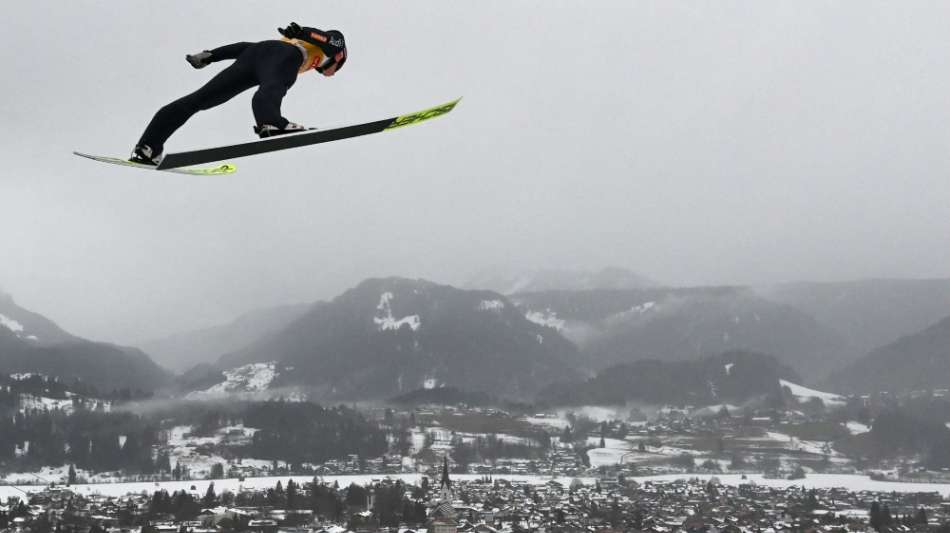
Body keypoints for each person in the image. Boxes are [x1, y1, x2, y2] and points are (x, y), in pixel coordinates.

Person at [130, 22, 347, 165]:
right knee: (274, 85)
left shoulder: (296, 46)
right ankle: (271, 123)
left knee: (198, 99)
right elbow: (329, 40)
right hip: (283, 55)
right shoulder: (331, 49)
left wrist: (211, 55)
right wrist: (302, 32)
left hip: (254, 55)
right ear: (339, 60)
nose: (331, 74)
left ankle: (149, 147)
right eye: (336, 70)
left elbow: (245, 47)